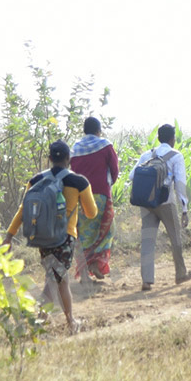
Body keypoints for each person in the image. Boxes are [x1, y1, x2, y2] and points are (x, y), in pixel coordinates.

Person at [2, 141, 97, 333]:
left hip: (42, 236)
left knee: (58, 277)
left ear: (50, 158)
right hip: (65, 237)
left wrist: (9, 236)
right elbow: (92, 213)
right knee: (54, 278)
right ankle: (42, 322)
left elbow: (23, 210)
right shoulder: (79, 182)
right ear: (69, 159)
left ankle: (67, 321)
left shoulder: (36, 180)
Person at [134, 124, 191, 291]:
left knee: (147, 240)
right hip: (166, 202)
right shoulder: (176, 156)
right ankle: (180, 273)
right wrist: (185, 209)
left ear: (158, 138)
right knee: (175, 238)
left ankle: (146, 280)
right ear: (172, 139)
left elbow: (132, 175)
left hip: (147, 203)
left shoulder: (147, 155)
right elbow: (180, 184)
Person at [69, 118, 119, 284]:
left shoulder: (75, 148)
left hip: (80, 197)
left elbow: (72, 171)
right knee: (107, 229)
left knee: (82, 235)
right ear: (99, 130)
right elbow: (114, 169)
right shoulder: (105, 145)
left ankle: (85, 273)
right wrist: (108, 184)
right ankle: (96, 263)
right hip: (101, 195)